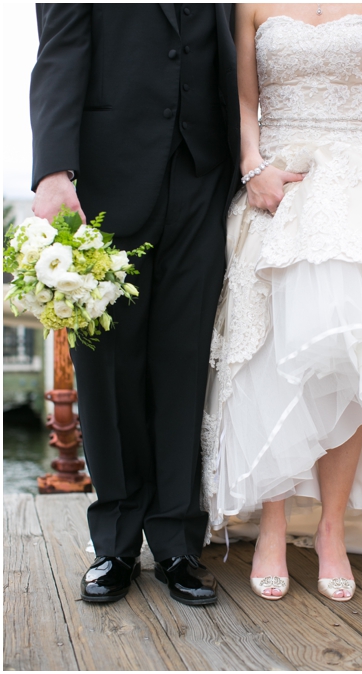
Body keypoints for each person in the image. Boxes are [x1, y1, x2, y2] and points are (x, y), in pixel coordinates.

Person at [201, 3, 362, 601]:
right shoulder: (252, 4)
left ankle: (333, 531)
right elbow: (241, 101)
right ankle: (273, 528)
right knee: (273, 353)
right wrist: (252, 166)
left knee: (352, 357)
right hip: (277, 192)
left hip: (359, 194)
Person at [29, 4, 239, 606]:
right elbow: (59, 50)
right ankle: (116, 543)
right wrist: (51, 171)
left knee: (184, 358)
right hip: (106, 173)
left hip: (204, 174)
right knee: (108, 364)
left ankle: (176, 541)